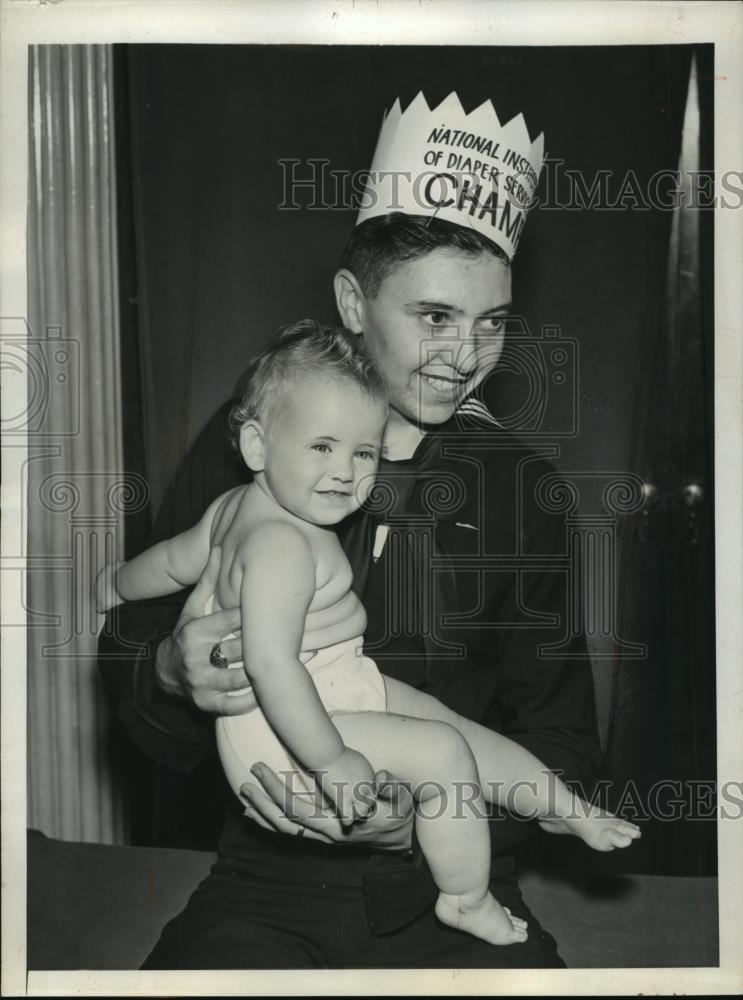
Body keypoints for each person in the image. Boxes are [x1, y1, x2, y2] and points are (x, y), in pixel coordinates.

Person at [98, 91, 603, 968]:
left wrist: (417, 824)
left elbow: (562, 742)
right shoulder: (252, 441)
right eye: (434, 317)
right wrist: (172, 675)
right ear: (352, 302)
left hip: (440, 885)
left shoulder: (523, 489)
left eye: (491, 324)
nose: (463, 355)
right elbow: (126, 649)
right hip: (262, 885)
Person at [96, 321, 638, 949]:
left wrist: (113, 582)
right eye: (321, 447)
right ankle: (464, 896)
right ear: (255, 445)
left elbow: (166, 563)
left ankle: (563, 806)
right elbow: (273, 667)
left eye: (364, 453)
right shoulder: (280, 545)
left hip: (332, 689)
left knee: (454, 727)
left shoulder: (233, 509)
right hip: (286, 733)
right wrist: (332, 761)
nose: (345, 473)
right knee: (444, 753)